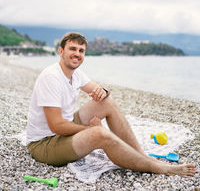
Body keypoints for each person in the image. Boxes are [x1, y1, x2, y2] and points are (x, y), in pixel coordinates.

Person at [26, 32, 196, 177]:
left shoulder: (76, 74)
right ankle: (160, 168)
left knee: (106, 103)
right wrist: (90, 130)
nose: (77, 54)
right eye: (72, 49)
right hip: (44, 145)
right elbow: (56, 126)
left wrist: (104, 91)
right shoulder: (51, 77)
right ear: (61, 51)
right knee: (100, 134)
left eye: (81, 50)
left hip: (64, 130)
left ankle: (141, 154)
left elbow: (101, 91)